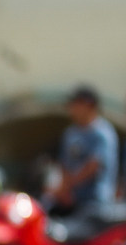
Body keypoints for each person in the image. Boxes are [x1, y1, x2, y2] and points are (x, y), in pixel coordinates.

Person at [49, 84, 117, 214]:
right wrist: (64, 191)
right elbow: (64, 164)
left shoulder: (102, 133)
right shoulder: (70, 133)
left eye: (76, 104)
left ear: (88, 105)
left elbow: (93, 166)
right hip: (73, 199)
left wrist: (69, 186)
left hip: (95, 202)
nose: (72, 108)